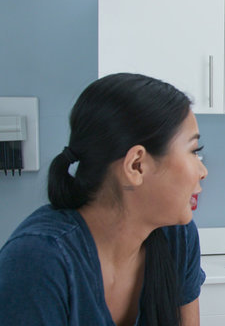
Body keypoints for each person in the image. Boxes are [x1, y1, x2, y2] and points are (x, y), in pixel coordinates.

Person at [0, 73, 208, 325]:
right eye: (194, 152)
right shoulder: (38, 261)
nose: (203, 172)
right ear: (137, 165)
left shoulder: (177, 237)